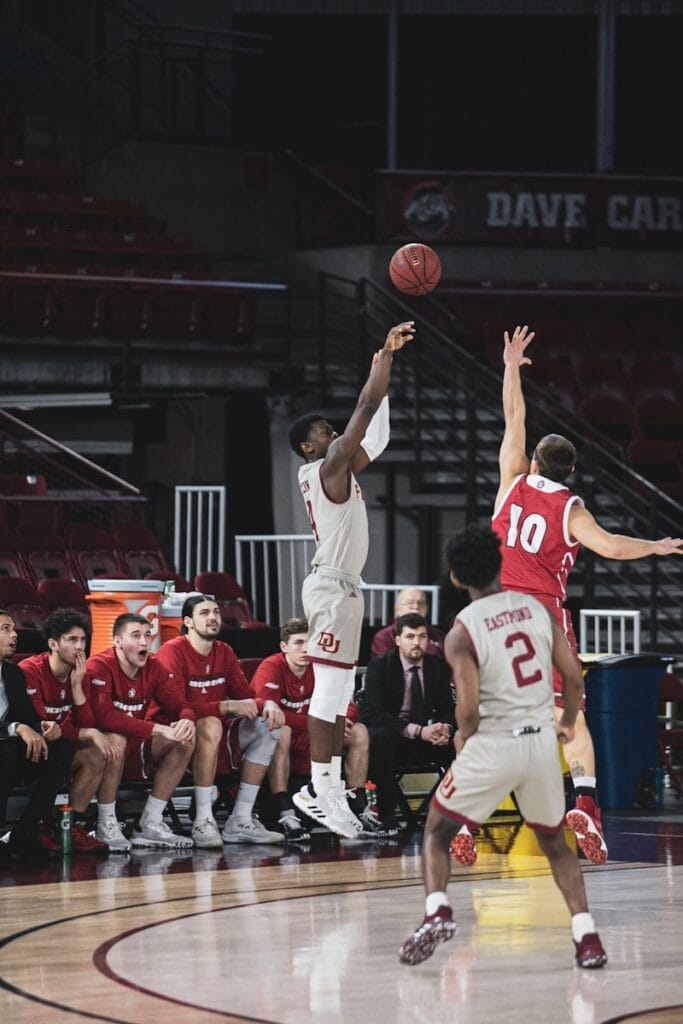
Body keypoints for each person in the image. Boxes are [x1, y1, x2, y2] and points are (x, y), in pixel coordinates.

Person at [492, 324, 683, 865]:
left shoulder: (512, 481)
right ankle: (586, 803)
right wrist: (657, 545)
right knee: (570, 718)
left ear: (533, 464)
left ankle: (463, 805)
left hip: (495, 612)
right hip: (543, 613)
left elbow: (514, 419)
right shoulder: (572, 508)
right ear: (571, 472)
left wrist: (511, 367)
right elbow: (612, 549)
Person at [399, 525, 608, 970]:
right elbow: (572, 678)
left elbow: (469, 710)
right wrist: (568, 723)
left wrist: (464, 740)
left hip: (495, 742)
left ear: (456, 577)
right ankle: (586, 936)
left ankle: (437, 909)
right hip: (538, 745)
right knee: (555, 844)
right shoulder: (536, 609)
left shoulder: (460, 631)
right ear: (499, 564)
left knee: (436, 833)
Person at [288, 320, 415, 838]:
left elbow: (376, 432)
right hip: (332, 586)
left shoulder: (341, 467)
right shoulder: (326, 469)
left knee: (340, 696)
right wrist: (383, 356)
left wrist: (380, 371)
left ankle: (327, 789)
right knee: (330, 693)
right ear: (308, 449)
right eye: (322, 430)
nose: (332, 432)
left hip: (345, 588)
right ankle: (322, 790)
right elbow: (362, 413)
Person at [154, 594, 286, 847]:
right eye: (204, 613)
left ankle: (241, 818)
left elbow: (246, 698)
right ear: (188, 622)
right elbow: (175, 708)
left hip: (214, 737)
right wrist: (225, 706)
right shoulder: (171, 652)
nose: (213, 617)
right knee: (212, 723)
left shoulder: (224, 651)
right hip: (174, 736)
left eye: (216, 612)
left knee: (270, 726)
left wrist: (266, 703)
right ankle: (204, 820)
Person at [251, 617, 392, 840]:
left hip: (315, 736)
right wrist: (321, 724)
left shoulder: (321, 667)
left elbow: (349, 703)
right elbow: (270, 714)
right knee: (281, 731)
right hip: (285, 735)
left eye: (310, 642)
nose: (305, 648)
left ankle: (357, 807)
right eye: (298, 642)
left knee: (359, 732)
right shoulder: (271, 667)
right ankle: (285, 810)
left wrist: (343, 719)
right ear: (284, 646)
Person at [87, 613, 196, 850]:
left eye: (147, 635)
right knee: (116, 739)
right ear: (117, 640)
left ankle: (150, 822)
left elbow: (181, 706)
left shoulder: (154, 666)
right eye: (135, 636)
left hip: (136, 749)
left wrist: (186, 721)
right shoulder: (98, 666)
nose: (144, 642)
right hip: (95, 754)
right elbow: (105, 718)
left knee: (184, 739)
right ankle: (106, 823)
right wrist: (158, 729)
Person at [21, 608, 125, 855]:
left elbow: (85, 721)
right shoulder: (30, 671)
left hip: (60, 750)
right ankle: (37, 827)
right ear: (53, 644)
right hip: (29, 751)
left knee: (96, 755)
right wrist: (87, 734)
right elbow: (41, 723)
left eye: (83, 640)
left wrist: (77, 687)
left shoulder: (80, 673)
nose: (80, 647)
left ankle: (72, 827)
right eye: (72, 640)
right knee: (77, 744)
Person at [360, 612, 456, 833]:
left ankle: (453, 814)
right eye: (410, 637)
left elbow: (449, 709)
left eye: (422, 637)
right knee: (380, 736)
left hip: (425, 739)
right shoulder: (380, 666)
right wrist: (418, 731)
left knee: (461, 739)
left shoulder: (437, 666)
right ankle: (386, 813)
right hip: (393, 736)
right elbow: (374, 713)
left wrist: (445, 728)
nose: (417, 642)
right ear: (397, 640)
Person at [0, 610, 74, 860]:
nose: (14, 635)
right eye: (5, 629)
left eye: (13, 629)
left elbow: (26, 715)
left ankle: (26, 831)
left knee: (60, 748)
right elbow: (18, 724)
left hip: (10, 747)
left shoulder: (11, 672)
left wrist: (44, 727)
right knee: (8, 752)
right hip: (6, 749)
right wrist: (16, 728)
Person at [370, 588, 445, 658]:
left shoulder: (437, 635)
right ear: (397, 608)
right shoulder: (384, 637)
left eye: (421, 603)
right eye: (410, 603)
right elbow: (383, 666)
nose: (416, 606)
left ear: (427, 608)